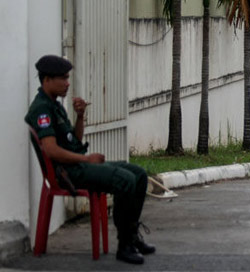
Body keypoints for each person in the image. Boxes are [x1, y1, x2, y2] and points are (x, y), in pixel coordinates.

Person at [25, 55, 155, 265]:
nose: (67, 83)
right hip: (69, 172)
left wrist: (80, 116)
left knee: (139, 174)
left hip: (77, 164)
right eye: (63, 78)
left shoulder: (55, 106)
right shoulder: (42, 109)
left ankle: (131, 236)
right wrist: (86, 158)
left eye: (68, 78)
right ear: (47, 79)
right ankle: (124, 246)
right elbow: (51, 150)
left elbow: (74, 140)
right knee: (125, 181)